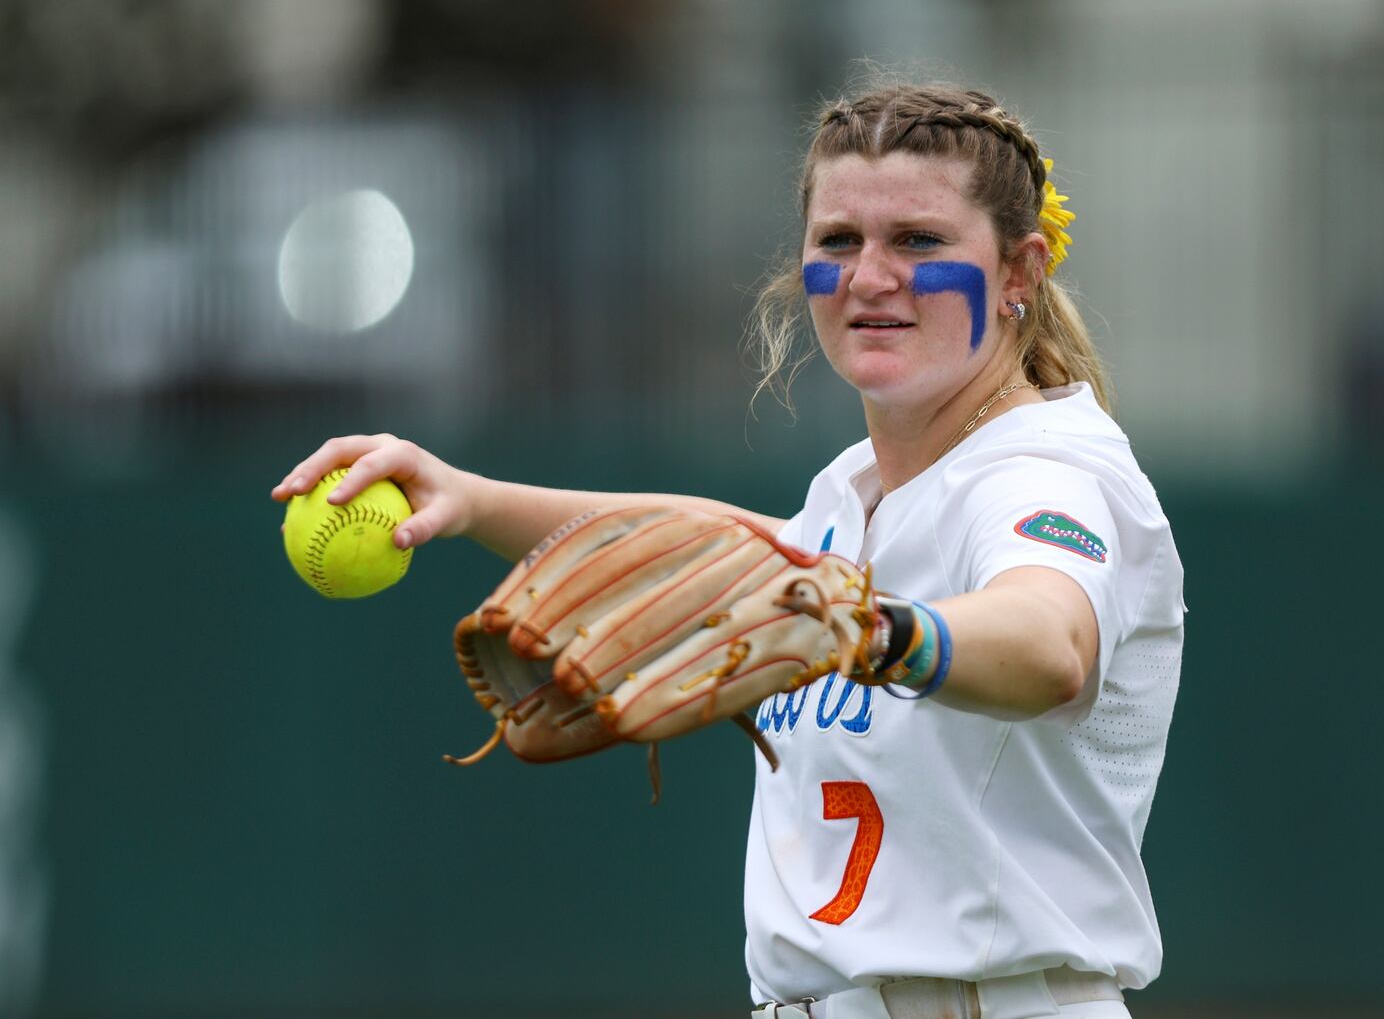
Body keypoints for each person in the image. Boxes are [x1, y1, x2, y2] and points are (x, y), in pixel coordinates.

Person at [272, 81, 1184, 1019]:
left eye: (919, 240)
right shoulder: (855, 491)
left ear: (1020, 271)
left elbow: (1048, 642)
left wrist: (876, 632)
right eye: (839, 241)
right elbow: (703, 542)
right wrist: (472, 500)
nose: (871, 276)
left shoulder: (1043, 470)